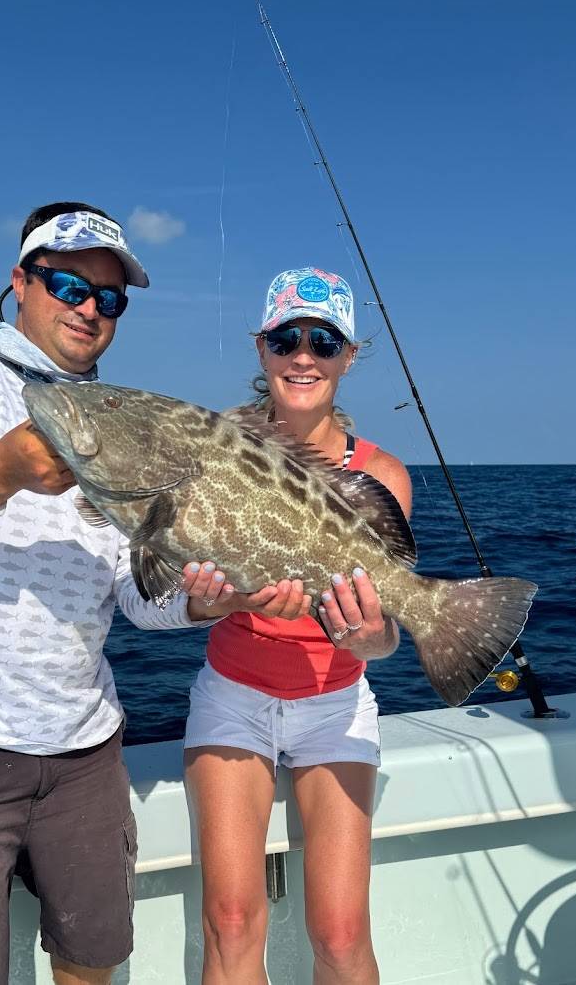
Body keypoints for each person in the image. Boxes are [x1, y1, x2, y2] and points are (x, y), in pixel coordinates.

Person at [0, 202, 305, 985]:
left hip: (85, 751)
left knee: (92, 963)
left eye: (108, 297)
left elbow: (133, 594)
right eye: (68, 285)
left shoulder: (120, 425)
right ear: (21, 281)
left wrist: (204, 603)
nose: (88, 308)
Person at [183, 268, 413, 985]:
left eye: (324, 342)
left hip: (335, 706)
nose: (303, 356)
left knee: (341, 935)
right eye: (286, 339)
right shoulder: (216, 445)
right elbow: (182, 579)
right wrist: (216, 599)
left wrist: (367, 638)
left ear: (348, 357)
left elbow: (385, 633)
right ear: (261, 348)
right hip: (233, 698)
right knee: (229, 919)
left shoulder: (380, 475)